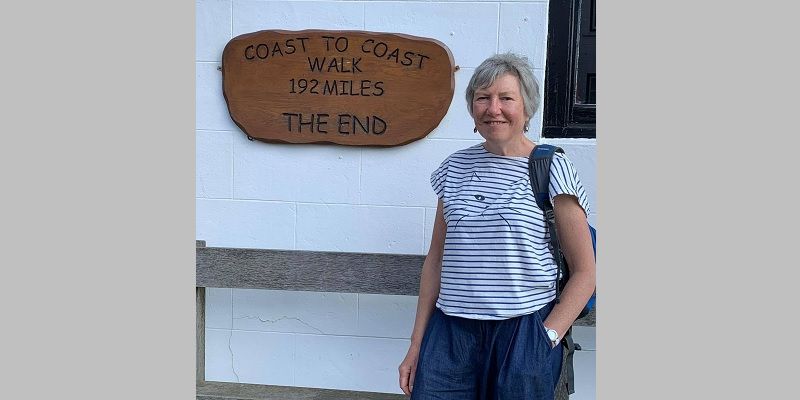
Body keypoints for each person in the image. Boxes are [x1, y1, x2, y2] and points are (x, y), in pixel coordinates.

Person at [397, 53, 596, 400]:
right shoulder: (454, 167)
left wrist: (546, 337)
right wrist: (417, 345)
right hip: (450, 333)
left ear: (527, 107)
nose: (493, 108)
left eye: (506, 98)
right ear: (473, 108)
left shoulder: (550, 168)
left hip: (522, 331)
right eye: (482, 98)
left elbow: (586, 272)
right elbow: (436, 260)